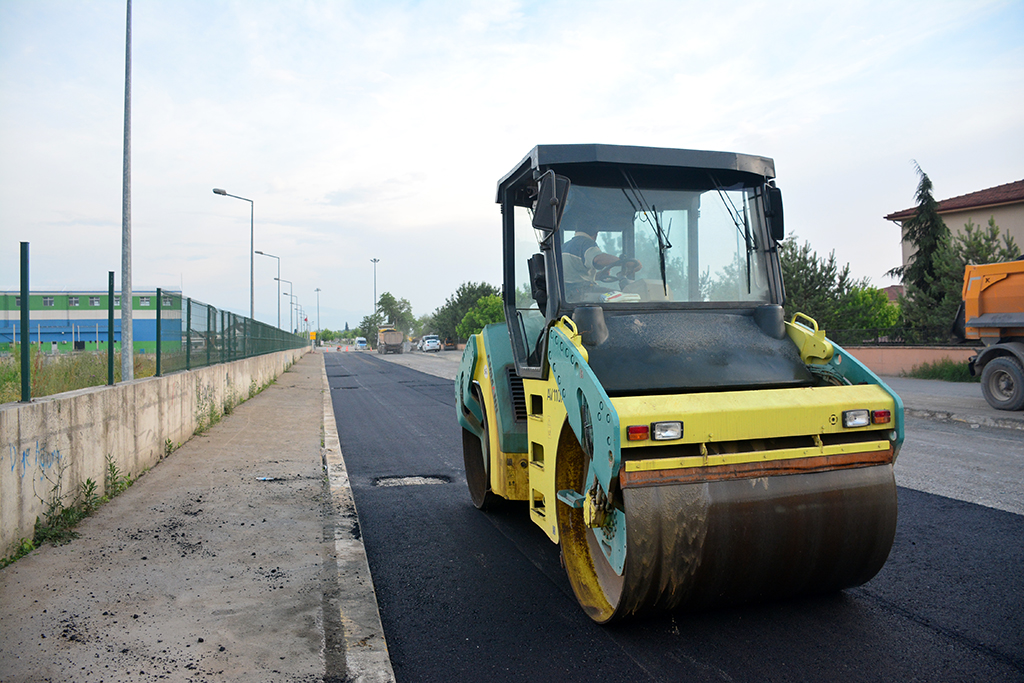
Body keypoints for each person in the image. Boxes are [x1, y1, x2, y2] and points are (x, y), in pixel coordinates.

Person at [562, 226, 641, 300]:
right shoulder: (586, 242)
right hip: (581, 293)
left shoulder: (563, 247)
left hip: (568, 294)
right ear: (596, 234)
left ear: (576, 231)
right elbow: (598, 259)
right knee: (625, 298)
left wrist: (598, 276)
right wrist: (625, 262)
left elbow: (572, 276)